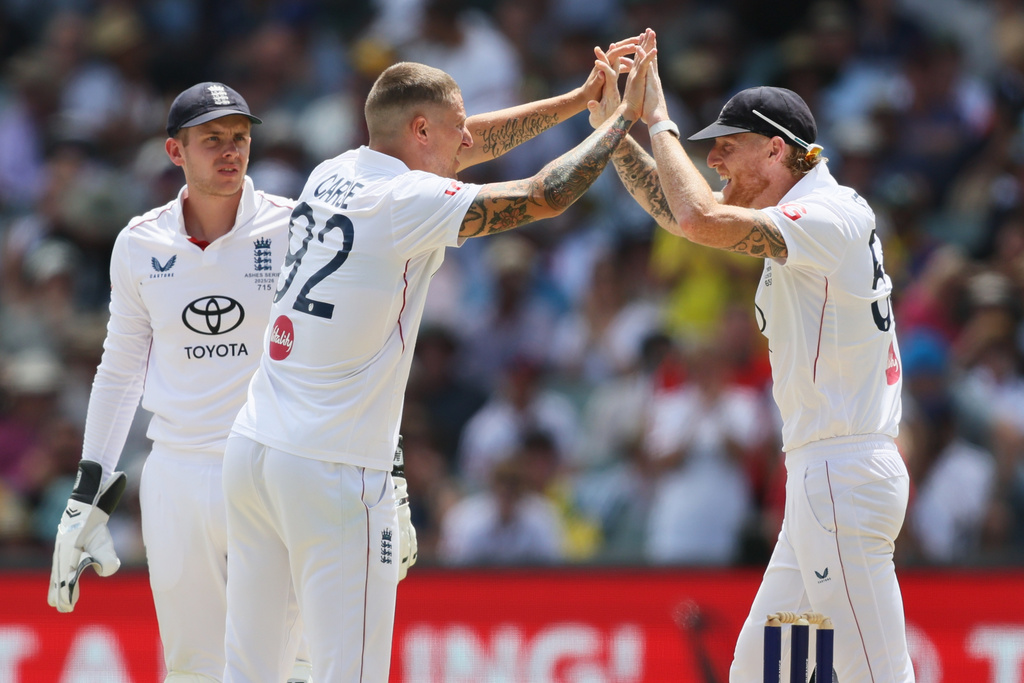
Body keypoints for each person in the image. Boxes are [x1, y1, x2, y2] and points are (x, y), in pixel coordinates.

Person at [221, 43, 653, 683]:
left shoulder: (334, 170)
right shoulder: (407, 202)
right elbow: (543, 195)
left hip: (255, 449)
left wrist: (575, 100)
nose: (469, 140)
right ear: (421, 130)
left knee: (254, 672)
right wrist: (621, 122)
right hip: (331, 467)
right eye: (457, 128)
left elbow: (466, 148)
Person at [589, 29, 914, 683]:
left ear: (777, 149)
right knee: (758, 670)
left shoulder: (828, 213)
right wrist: (614, 135)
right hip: (825, 475)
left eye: (727, 150)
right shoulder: (811, 213)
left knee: (878, 674)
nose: (716, 165)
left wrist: (658, 119)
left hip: (841, 472)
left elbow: (699, 217)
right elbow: (682, 212)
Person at [47, 82, 314, 683]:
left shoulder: (292, 227)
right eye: (212, 139)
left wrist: (386, 467)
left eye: (240, 139)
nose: (230, 152)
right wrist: (89, 488)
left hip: (272, 465)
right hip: (176, 471)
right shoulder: (140, 242)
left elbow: (341, 349)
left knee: (287, 667)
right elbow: (119, 368)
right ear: (176, 152)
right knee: (192, 668)